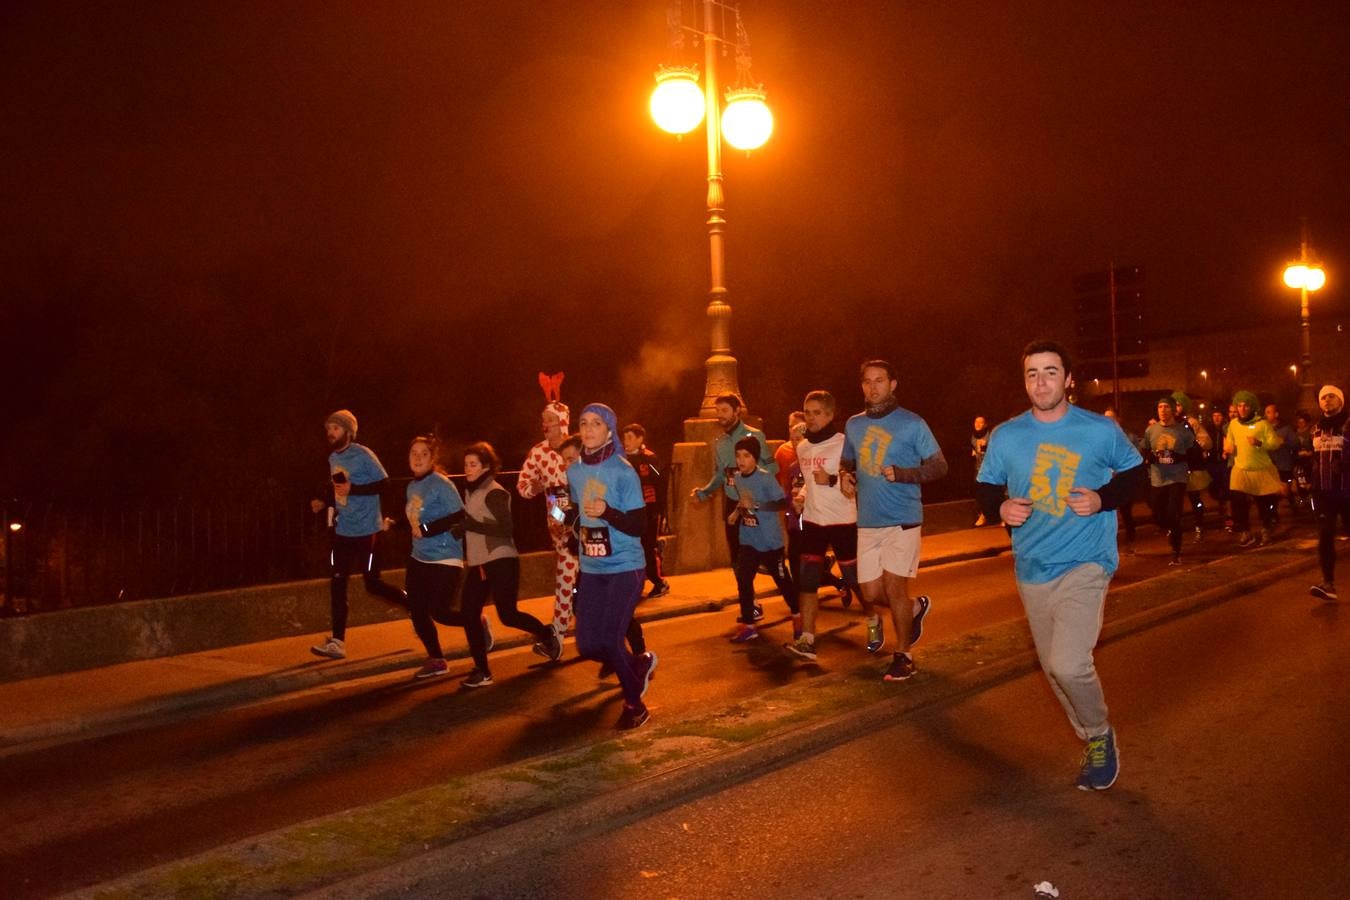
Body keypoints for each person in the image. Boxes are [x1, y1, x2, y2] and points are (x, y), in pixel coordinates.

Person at [975, 340, 1144, 791]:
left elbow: (1135, 474)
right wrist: (1000, 509)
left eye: (1051, 372)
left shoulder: (1098, 431)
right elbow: (987, 486)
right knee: (1053, 668)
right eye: (1032, 374)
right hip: (1032, 565)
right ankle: (1092, 737)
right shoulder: (1007, 436)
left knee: (1068, 663)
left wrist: (1102, 498)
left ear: (1069, 379)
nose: (1041, 382)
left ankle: (1099, 735)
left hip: (1086, 561)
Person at [812, 361, 945, 682]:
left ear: (893, 384)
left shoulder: (913, 424)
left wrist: (904, 474)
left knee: (894, 587)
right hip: (868, 521)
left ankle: (904, 656)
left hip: (903, 519)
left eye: (880, 381)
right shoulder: (855, 425)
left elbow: (939, 467)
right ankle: (913, 609)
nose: (873, 388)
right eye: (868, 382)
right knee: (870, 593)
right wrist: (844, 477)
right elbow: (847, 460)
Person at [566, 403, 658, 729]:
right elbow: (575, 514)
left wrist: (607, 511)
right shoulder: (574, 470)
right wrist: (565, 518)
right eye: (583, 423)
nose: (589, 429)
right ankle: (638, 664)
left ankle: (635, 704)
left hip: (625, 566)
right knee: (587, 643)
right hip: (592, 567)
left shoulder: (623, 470)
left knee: (609, 639)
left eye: (596, 424)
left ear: (609, 430)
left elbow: (639, 524)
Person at [461, 441, 561, 687]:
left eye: (473, 464)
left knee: (508, 615)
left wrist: (470, 525)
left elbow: (506, 528)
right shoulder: (470, 490)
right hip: (480, 562)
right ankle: (482, 671)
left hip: (501, 560)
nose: (467, 469)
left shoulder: (494, 491)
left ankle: (548, 635)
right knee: (468, 613)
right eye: (465, 464)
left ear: (486, 467)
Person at [311, 410, 408, 660]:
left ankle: (414, 607)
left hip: (367, 532)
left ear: (348, 431)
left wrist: (355, 489)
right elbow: (340, 488)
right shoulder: (333, 457)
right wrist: (324, 500)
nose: (331, 432)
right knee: (337, 583)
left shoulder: (363, 454)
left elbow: (385, 484)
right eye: (329, 428)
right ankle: (337, 642)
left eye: (336, 428)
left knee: (372, 584)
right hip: (343, 531)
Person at [401, 435, 494, 680]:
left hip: (445, 557)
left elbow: (459, 515)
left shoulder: (441, 484)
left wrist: (428, 529)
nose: (418, 458)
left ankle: (477, 622)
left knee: (439, 612)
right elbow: (415, 521)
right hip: (418, 556)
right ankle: (437, 659)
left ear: (432, 459)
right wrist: (393, 523)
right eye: (414, 453)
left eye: (424, 454)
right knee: (417, 610)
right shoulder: (412, 487)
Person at [786, 390, 869, 659]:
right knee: (807, 581)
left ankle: (873, 619)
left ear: (831, 414)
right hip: (812, 521)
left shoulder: (844, 444)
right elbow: (809, 483)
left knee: (854, 580)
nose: (810, 418)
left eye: (817, 412)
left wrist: (832, 480)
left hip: (842, 520)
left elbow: (860, 483)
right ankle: (807, 640)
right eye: (807, 412)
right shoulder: (802, 446)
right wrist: (800, 497)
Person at [517, 376, 578, 642]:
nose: (545, 425)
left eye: (550, 420)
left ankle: (605, 626)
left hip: (588, 520)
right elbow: (522, 486)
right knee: (566, 574)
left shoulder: (579, 448)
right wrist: (539, 488)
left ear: (563, 423)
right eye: (543, 420)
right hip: (559, 522)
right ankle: (559, 630)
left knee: (588, 580)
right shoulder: (538, 453)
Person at [691, 393, 777, 580]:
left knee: (768, 557)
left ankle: (792, 599)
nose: (720, 415)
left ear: (737, 411)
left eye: (724, 410)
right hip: (732, 504)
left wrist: (755, 486)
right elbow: (720, 475)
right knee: (737, 558)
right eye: (717, 410)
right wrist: (704, 492)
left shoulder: (755, 436)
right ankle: (749, 603)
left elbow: (772, 467)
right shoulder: (720, 443)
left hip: (754, 505)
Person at [726, 437, 797, 642]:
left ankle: (798, 617)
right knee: (744, 580)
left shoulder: (766, 478)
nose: (741, 460)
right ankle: (749, 625)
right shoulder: (738, 478)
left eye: (746, 456)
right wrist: (737, 512)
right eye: (738, 456)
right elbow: (744, 500)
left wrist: (756, 506)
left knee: (783, 582)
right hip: (748, 539)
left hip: (770, 541)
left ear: (755, 458)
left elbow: (781, 503)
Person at [1224, 390, 1283, 547]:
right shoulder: (1233, 424)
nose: (1242, 409)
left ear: (1253, 407)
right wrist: (1228, 448)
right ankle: (1246, 531)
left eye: (1246, 406)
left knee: (1263, 503)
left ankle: (1265, 529)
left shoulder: (1262, 424)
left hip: (1260, 469)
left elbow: (1275, 443)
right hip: (1240, 469)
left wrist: (1259, 443)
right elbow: (1230, 439)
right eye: (1240, 406)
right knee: (1237, 502)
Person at [1142, 396, 1195, 565]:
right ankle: (1171, 529)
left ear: (1172, 410)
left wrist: (1178, 457)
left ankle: (1176, 550)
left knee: (1174, 513)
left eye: (1166, 407)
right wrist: (1150, 457)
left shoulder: (1183, 431)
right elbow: (1144, 449)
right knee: (1157, 515)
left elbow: (1194, 453)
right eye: (1160, 407)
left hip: (1177, 478)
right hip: (1158, 478)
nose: (1163, 410)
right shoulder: (1151, 430)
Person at [620, 424, 670, 599]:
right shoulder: (621, 459)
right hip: (628, 511)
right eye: (624, 437)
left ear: (640, 439)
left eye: (630, 437)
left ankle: (659, 581)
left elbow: (660, 482)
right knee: (630, 547)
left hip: (648, 510)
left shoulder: (650, 459)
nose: (626, 442)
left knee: (647, 547)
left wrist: (659, 510)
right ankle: (636, 583)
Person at [1309, 386, 1349, 601]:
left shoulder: (1348, 425)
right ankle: (1328, 584)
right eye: (1323, 397)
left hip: (1347, 491)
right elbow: (1314, 458)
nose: (1326, 400)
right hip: (1323, 493)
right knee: (1325, 537)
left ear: (1341, 401)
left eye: (1331, 396)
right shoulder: (1315, 429)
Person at [1103, 408, 1141, 555]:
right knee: (1106, 515)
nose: (1108, 421)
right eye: (1105, 418)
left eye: (1112, 418)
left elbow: (1136, 458)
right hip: (1106, 482)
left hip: (1124, 481)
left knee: (1126, 514)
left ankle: (1130, 542)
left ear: (1119, 419)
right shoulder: (1100, 436)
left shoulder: (1129, 437)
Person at [1265, 403, 1299, 519]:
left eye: (1269, 412)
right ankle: (1273, 515)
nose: (1267, 415)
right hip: (1269, 465)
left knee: (1285, 491)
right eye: (1266, 412)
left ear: (1276, 414)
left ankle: (1292, 502)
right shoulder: (1264, 429)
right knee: (1271, 491)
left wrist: (1284, 442)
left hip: (1284, 464)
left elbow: (1296, 444)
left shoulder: (1286, 429)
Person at [971, 415, 994, 526]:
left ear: (985, 424)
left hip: (989, 468)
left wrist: (985, 449)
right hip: (978, 467)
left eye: (980, 422)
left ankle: (992, 516)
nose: (977, 424)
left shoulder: (990, 436)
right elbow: (973, 447)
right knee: (979, 492)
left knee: (990, 492)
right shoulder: (973, 436)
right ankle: (982, 515)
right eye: (976, 422)